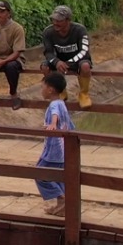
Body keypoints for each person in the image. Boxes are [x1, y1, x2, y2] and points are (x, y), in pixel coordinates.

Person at [35, 72, 75, 216]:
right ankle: (62, 207)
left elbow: (54, 113)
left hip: (54, 150)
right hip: (63, 150)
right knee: (59, 177)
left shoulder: (55, 104)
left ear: (50, 89)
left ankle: (62, 199)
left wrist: (52, 124)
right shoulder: (62, 103)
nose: (41, 90)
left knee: (40, 174)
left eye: (43, 87)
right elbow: (70, 125)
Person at [41, 4, 95, 108]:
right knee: (44, 67)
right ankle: (60, 91)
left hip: (78, 60)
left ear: (68, 20)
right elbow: (48, 52)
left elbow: (84, 51)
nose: (55, 23)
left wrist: (69, 63)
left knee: (85, 66)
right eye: (54, 20)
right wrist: (57, 62)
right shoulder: (48, 32)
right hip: (59, 61)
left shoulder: (80, 30)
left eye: (59, 20)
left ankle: (83, 94)